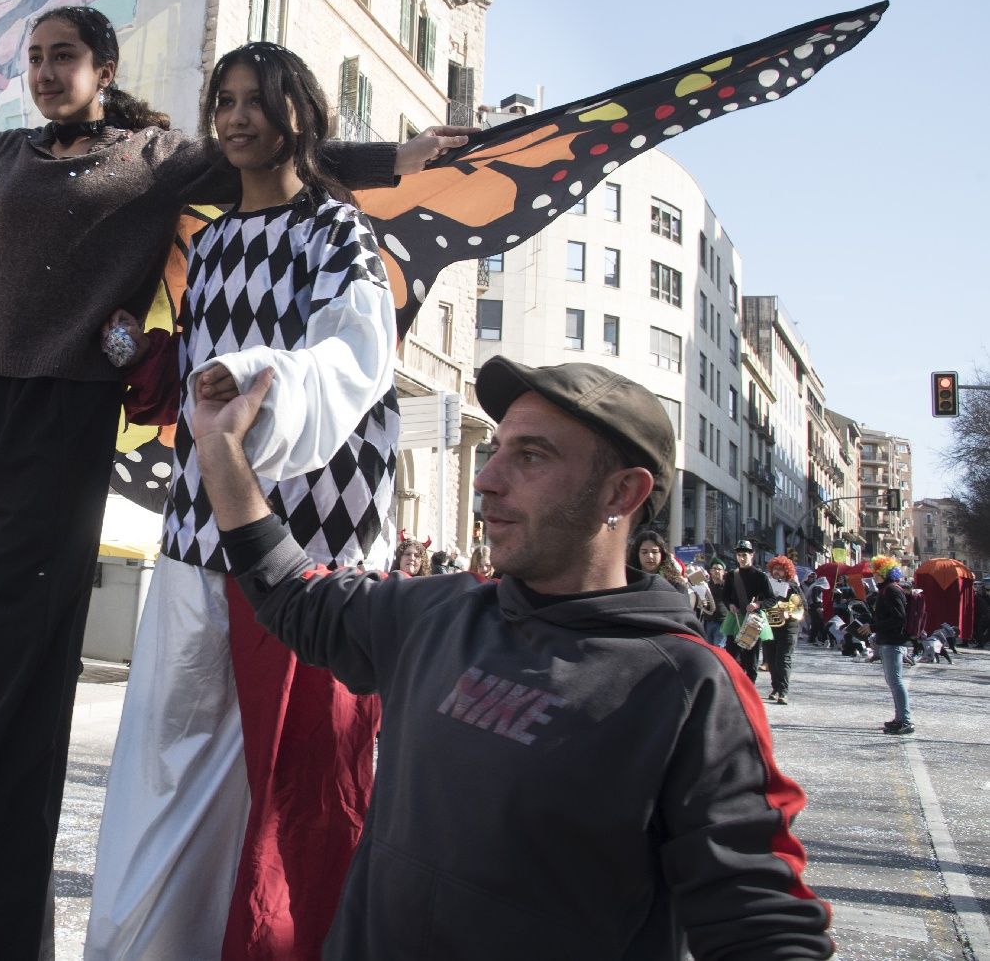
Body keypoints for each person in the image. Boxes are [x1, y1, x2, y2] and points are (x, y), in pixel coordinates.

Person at [0, 4, 474, 959]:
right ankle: (33, 869)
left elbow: (322, 236)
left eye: (64, 55)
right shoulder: (42, 172)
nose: (44, 71)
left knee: (276, 755)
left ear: (104, 65)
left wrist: (402, 157)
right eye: (34, 57)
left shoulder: (170, 163)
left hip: (234, 496)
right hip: (45, 439)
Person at [188, 355, 833, 958]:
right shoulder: (435, 613)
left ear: (622, 494)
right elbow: (292, 594)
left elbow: (760, 925)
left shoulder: (686, 688)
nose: (489, 481)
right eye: (496, 450)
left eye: (531, 456)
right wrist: (219, 448)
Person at [87, 41, 399, 961]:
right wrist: (133, 355)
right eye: (220, 99)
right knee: (166, 762)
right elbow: (188, 375)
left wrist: (259, 380)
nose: (231, 117)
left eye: (252, 99)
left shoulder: (337, 233)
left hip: (307, 536)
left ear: (296, 111)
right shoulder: (214, 241)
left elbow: (354, 353)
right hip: (194, 528)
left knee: (301, 782)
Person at [871, 561, 915, 735]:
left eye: (877, 572)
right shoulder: (886, 589)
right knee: (893, 681)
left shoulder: (891, 590)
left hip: (893, 641)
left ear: (886, 573)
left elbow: (899, 618)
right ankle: (899, 719)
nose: (874, 575)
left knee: (896, 681)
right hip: (887, 641)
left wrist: (875, 627)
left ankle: (905, 721)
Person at [722, 539, 775, 681]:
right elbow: (725, 596)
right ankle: (736, 687)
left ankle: (750, 687)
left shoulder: (761, 577)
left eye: (744, 554)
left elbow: (771, 599)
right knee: (732, 657)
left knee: (751, 660)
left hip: (752, 621)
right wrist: (730, 605)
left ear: (752, 555)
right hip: (735, 619)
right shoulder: (732, 575)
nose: (741, 558)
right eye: (739, 555)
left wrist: (757, 605)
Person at [763, 555, 801, 705]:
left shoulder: (793, 587)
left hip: (788, 629)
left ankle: (783, 691)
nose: (777, 572)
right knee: (771, 660)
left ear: (787, 571)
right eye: (775, 569)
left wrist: (787, 610)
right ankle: (776, 688)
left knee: (783, 659)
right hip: (770, 627)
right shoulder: (767, 586)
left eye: (781, 569)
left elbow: (801, 606)